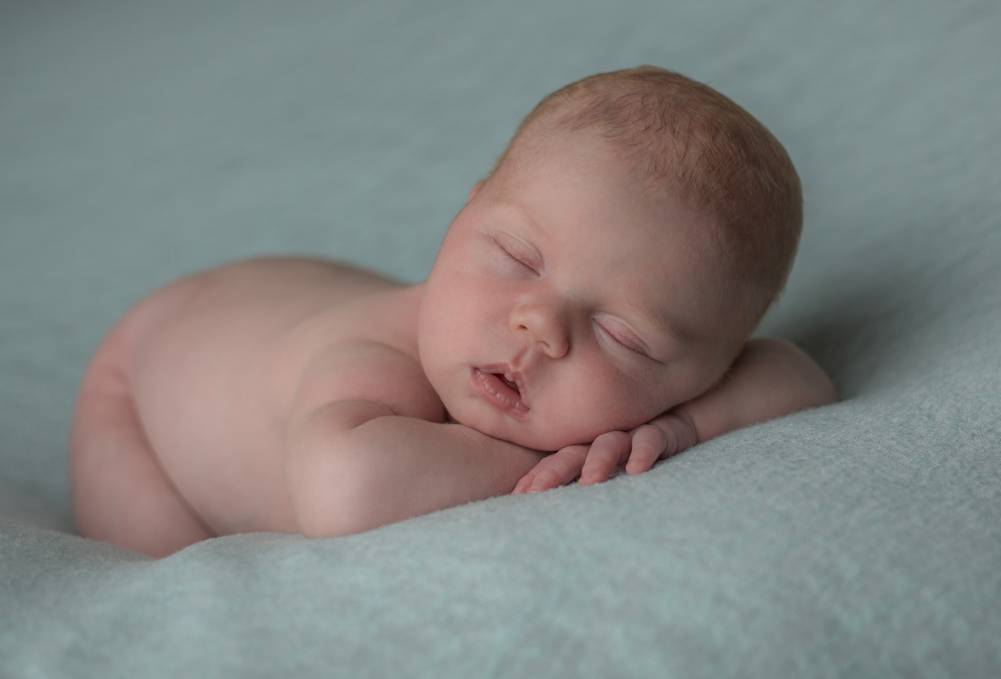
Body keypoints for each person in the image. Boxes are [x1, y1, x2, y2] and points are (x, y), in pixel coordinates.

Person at [69, 66, 836, 558]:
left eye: (620, 333)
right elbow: (350, 490)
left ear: (702, 372)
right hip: (139, 384)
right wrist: (550, 462)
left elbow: (798, 374)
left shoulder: (680, 384)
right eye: (515, 258)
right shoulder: (373, 364)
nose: (539, 323)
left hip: (277, 295)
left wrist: (681, 428)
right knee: (171, 567)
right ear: (463, 215)